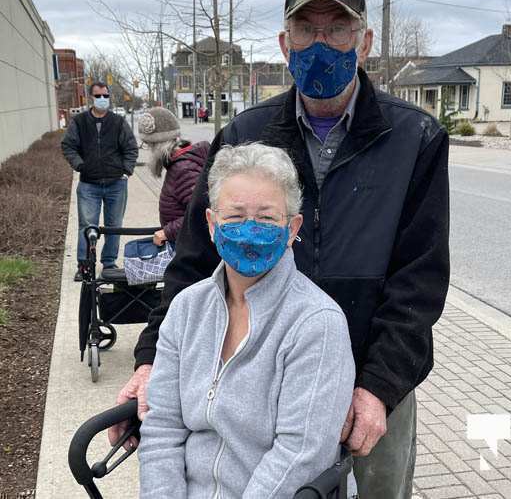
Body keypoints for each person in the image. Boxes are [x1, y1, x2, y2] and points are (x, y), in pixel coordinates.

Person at [113, 0, 450, 498]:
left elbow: (420, 279)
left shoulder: (414, 137)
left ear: (364, 42)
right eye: (305, 29)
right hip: (264, 377)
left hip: (371, 372)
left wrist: (379, 387)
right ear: (284, 43)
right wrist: (153, 357)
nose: (321, 43)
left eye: (337, 29)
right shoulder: (246, 132)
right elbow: (195, 258)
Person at [138, 143, 355, 497]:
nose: (250, 230)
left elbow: (300, 454)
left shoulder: (317, 323)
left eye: (267, 218)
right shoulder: (186, 310)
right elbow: (162, 429)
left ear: (292, 228)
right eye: (235, 216)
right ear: (211, 224)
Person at [61, 81, 138, 281]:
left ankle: (109, 264)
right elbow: (68, 146)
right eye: (98, 96)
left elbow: (131, 148)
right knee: (87, 226)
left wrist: (126, 171)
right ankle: (85, 266)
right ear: (91, 98)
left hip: (116, 183)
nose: (102, 99)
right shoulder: (79, 122)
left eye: (105, 95)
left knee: (114, 225)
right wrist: (79, 165)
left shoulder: (118, 122)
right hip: (89, 184)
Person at [136, 107, 210, 246]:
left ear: (159, 144)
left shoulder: (183, 169)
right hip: (186, 243)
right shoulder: (180, 163)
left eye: (148, 145)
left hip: (190, 248)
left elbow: (202, 213)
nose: (149, 150)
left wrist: (167, 232)